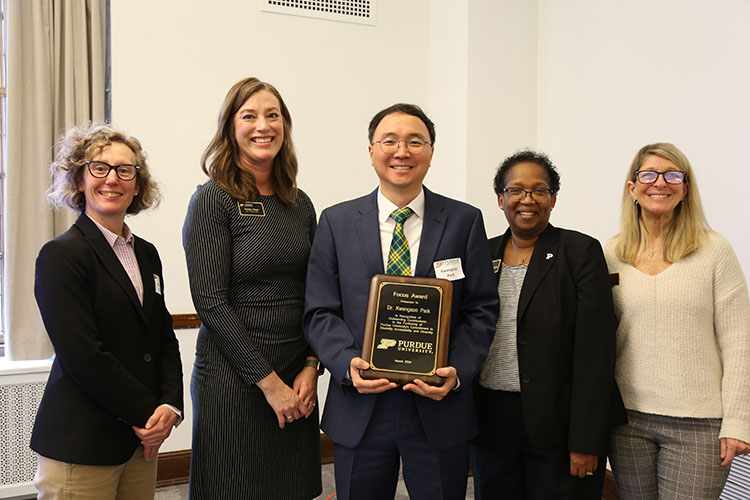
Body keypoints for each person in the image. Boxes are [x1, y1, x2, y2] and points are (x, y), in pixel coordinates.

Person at [303, 103, 499, 500]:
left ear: (430, 152)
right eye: (389, 140)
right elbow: (319, 310)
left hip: (438, 403)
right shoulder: (336, 222)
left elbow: (480, 308)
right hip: (361, 400)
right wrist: (346, 365)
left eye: (415, 141)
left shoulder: (464, 221)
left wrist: (456, 371)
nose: (402, 151)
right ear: (371, 151)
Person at [182, 77, 321, 500]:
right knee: (235, 488)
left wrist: (312, 366)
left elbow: (318, 293)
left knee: (290, 489)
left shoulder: (300, 203)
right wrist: (269, 383)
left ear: (286, 126)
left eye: (273, 115)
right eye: (249, 115)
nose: (263, 125)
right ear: (230, 128)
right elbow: (210, 302)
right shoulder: (212, 200)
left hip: (296, 375)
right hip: (234, 378)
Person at [31, 124, 184, 499]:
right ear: (79, 179)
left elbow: (162, 336)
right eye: (99, 168)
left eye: (125, 170)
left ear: (136, 184)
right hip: (83, 444)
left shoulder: (145, 253)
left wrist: (171, 405)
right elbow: (84, 354)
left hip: (138, 445)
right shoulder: (61, 256)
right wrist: (149, 414)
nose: (112, 179)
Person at [471, 150, 626, 500]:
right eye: (516, 190)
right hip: (492, 419)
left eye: (539, 190)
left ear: (553, 199)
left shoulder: (580, 252)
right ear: (500, 199)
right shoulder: (482, 253)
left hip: (560, 422)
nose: (527, 199)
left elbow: (596, 353)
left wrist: (586, 440)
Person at [604, 142, 750, 499]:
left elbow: (739, 340)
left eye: (673, 175)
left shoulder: (715, 251)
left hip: (699, 426)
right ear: (632, 188)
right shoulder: (610, 254)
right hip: (628, 423)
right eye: (649, 174)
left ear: (685, 188)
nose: (660, 183)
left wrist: (739, 420)